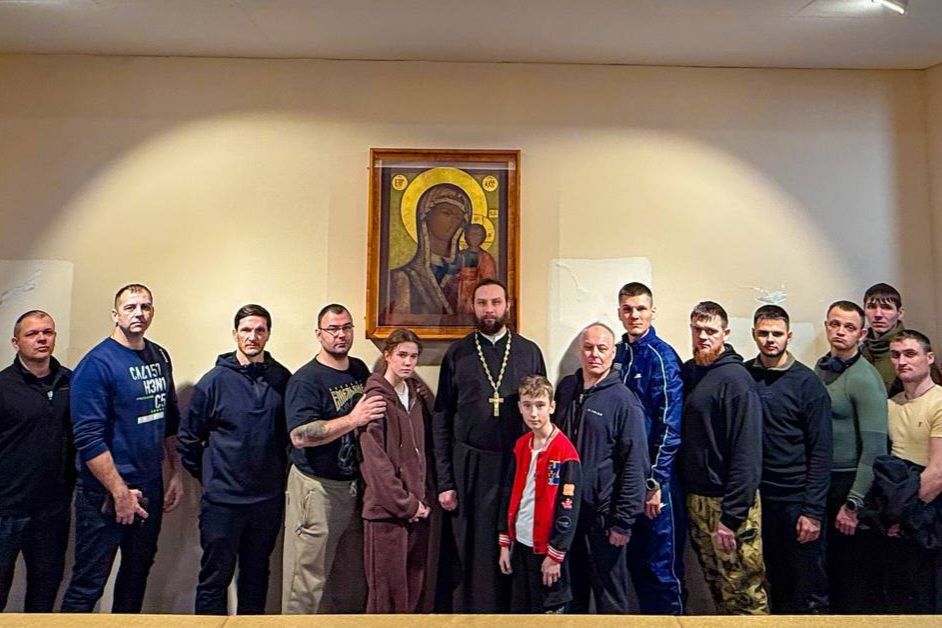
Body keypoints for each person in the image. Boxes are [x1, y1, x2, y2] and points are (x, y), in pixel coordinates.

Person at [61, 284, 184, 613]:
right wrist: (119, 492)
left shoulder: (159, 356)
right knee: (89, 584)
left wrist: (175, 473)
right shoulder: (96, 364)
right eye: (130, 307)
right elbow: (88, 438)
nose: (139, 313)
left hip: (150, 485)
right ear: (115, 315)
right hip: (103, 492)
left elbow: (168, 419)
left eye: (145, 307)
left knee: (136, 575)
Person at [432, 278, 546, 612]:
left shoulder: (528, 351)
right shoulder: (458, 353)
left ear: (507, 305)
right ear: (472, 306)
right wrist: (445, 481)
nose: (489, 310)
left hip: (516, 466)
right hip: (470, 468)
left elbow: (542, 415)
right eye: (482, 303)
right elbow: (442, 418)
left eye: (496, 302)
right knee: (472, 548)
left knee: (515, 542)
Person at [177, 304, 292, 615]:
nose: (253, 336)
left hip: (266, 501)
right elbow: (188, 439)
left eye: (259, 330)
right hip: (223, 502)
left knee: (256, 577)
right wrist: (211, 476)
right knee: (214, 580)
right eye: (246, 330)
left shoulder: (282, 379)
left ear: (268, 334)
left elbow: (288, 437)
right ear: (234, 334)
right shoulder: (214, 381)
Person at [283, 303, 383, 614]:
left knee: (351, 581)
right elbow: (300, 436)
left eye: (346, 328)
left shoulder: (358, 370)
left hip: (353, 486)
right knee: (306, 581)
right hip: (317, 489)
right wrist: (353, 419)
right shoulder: (306, 380)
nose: (341, 335)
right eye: (333, 329)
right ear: (319, 334)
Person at [680, 301, 768, 615]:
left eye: (711, 331)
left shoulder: (736, 380)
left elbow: (747, 453)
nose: (703, 336)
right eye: (697, 329)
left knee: (744, 593)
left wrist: (731, 517)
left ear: (725, 333)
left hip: (729, 505)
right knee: (717, 586)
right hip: (698, 499)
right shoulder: (693, 373)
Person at [555, 323, 648, 614]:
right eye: (588, 347)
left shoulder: (624, 401)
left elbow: (636, 465)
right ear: (580, 351)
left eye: (602, 348)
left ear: (613, 353)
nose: (594, 354)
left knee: (611, 600)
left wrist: (623, 522)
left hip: (604, 518)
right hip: (567, 515)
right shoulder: (566, 389)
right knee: (572, 598)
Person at [746, 305, 832, 613]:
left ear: (789, 336)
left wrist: (813, 512)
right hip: (761, 499)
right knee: (776, 581)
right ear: (754, 334)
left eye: (777, 334)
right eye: (764, 333)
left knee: (808, 587)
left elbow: (821, 451)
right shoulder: (745, 376)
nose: (770, 339)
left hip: (798, 501)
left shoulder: (808, 383)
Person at [612, 282, 686, 614]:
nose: (634, 315)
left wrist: (655, 482)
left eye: (641, 309)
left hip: (657, 483)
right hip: (626, 479)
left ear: (652, 312)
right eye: (628, 309)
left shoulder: (662, 357)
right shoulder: (617, 354)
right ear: (619, 313)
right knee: (636, 565)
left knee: (662, 570)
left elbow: (670, 426)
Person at [814, 300, 887, 614]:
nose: (840, 331)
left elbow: (875, 450)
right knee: (826, 573)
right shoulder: (821, 368)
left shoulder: (865, 378)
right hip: (823, 481)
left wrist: (853, 503)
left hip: (850, 485)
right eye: (835, 324)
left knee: (853, 579)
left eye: (849, 327)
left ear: (862, 334)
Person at [0, 310, 73, 612]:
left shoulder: (71, 381)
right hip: (7, 509)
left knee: (45, 593)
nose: (41, 339)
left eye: (47, 332)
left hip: (53, 509)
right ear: (16, 342)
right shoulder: (3, 385)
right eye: (32, 334)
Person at [359, 328, 433, 613]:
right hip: (386, 513)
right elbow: (375, 463)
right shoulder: (376, 399)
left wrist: (420, 502)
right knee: (386, 598)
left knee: (412, 592)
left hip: (417, 510)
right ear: (387, 355)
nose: (408, 362)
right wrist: (405, 504)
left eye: (413, 357)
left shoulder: (415, 395)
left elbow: (421, 451)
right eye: (402, 355)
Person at [498, 375, 581, 613]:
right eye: (527, 406)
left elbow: (568, 508)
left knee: (548, 612)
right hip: (520, 544)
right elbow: (509, 494)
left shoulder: (565, 452)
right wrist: (504, 542)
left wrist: (555, 554)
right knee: (521, 611)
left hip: (547, 551)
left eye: (540, 405)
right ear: (519, 407)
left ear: (552, 407)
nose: (533, 413)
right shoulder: (521, 445)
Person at [882, 329, 942, 613]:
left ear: (929, 358)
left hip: (930, 512)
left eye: (910, 354)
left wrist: (903, 516)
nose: (902, 361)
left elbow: (938, 472)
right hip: (899, 510)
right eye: (895, 355)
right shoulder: (891, 404)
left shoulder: (939, 401)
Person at [389, 184, 473, 317]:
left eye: (458, 217)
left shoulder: (467, 271)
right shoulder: (405, 277)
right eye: (446, 213)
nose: (453, 222)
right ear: (426, 215)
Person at [861, 283, 941, 398]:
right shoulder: (859, 350)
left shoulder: (914, 348)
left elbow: (933, 397)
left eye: (886, 307)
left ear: (900, 313)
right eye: (872, 307)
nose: (878, 314)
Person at [453, 223, 498, 314]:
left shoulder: (486, 258)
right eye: (472, 234)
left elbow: (489, 279)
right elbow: (452, 274)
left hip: (476, 291)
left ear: (483, 237)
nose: (474, 237)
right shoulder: (460, 255)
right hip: (460, 290)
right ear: (466, 236)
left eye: (478, 235)